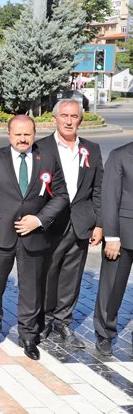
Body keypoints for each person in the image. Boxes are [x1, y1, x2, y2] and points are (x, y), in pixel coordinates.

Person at [0, 115, 68, 360]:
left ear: (34, 134)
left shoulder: (47, 159)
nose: (23, 139)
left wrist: (38, 219)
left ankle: (28, 336)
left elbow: (61, 195)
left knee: (32, 289)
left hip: (34, 236)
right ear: (9, 135)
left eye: (27, 134)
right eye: (18, 134)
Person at [35, 99, 102, 349]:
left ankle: (64, 322)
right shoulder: (40, 148)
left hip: (81, 223)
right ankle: (44, 319)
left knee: (72, 276)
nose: (69, 121)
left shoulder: (92, 149)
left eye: (74, 116)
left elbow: (99, 189)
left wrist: (99, 224)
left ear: (80, 120)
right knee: (48, 273)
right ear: (55, 118)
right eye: (64, 116)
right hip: (51, 224)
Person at [93, 140, 133, 357]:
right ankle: (104, 333)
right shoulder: (120, 155)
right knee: (112, 286)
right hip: (123, 235)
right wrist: (112, 236)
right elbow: (109, 198)